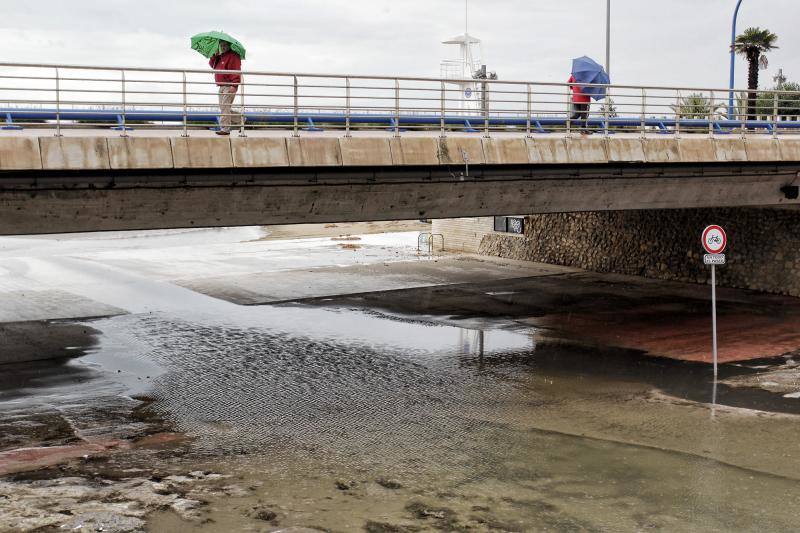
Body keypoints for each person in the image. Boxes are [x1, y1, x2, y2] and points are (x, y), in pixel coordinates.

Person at [209, 40, 242, 135]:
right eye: (221, 45)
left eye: (225, 45)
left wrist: (234, 85)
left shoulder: (233, 56)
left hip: (229, 85)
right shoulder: (219, 56)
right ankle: (240, 119)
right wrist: (214, 55)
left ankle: (225, 129)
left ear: (229, 45)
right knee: (223, 107)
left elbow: (236, 70)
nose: (223, 47)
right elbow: (212, 65)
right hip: (221, 85)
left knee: (225, 107)